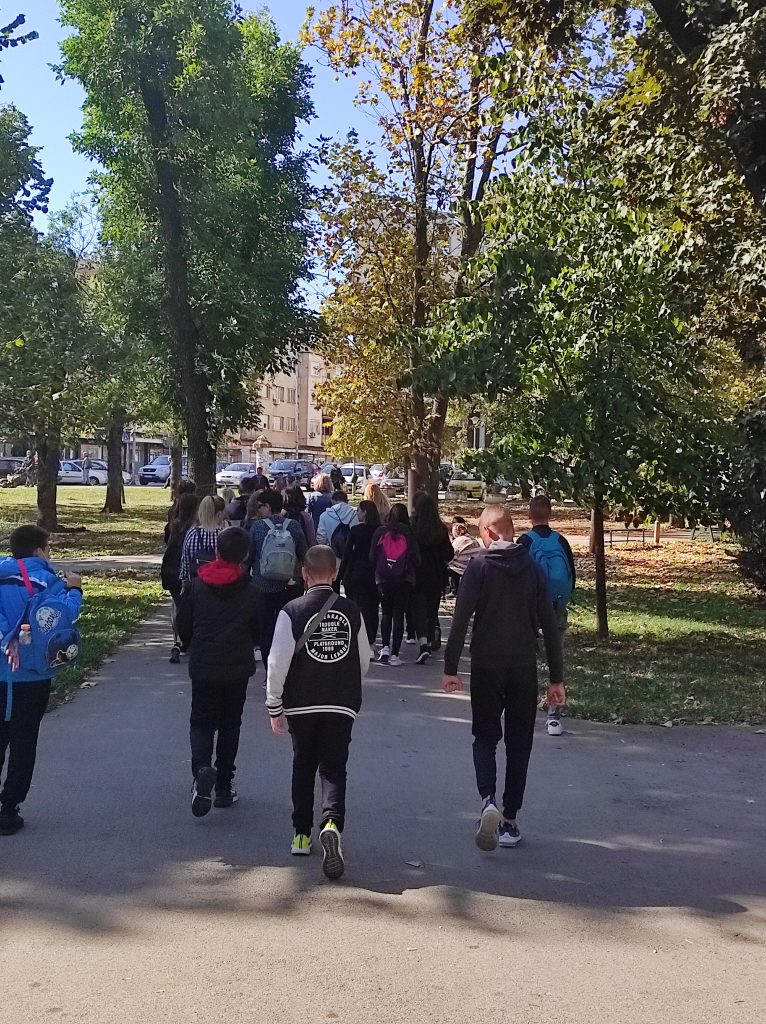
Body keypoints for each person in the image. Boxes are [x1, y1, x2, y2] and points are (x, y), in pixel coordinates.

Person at [441, 507, 565, 852]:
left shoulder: (478, 567)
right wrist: (556, 679)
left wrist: (451, 668)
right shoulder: (534, 569)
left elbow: (461, 619)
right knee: (519, 743)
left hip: (486, 665)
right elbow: (549, 627)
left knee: (484, 737)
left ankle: (487, 801)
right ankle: (509, 820)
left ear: (489, 533)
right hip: (523, 666)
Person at [266, 545, 371, 879]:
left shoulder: (291, 611)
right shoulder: (352, 611)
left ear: (303, 574)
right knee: (334, 768)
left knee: (303, 765)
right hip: (340, 702)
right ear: (336, 574)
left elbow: (277, 661)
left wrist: (274, 704)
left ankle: (301, 834)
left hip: (301, 703)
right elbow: (364, 659)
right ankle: (331, 824)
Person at [0, 525, 83, 835]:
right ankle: (8, 808)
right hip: (33, 675)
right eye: (48, 548)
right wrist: (75, 589)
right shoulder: (48, 582)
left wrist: (6, 637)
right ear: (38, 550)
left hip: (1, 672)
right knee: (24, 741)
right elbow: (66, 615)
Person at [176, 527, 259, 816]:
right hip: (237, 667)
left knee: (201, 722)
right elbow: (258, 630)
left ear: (216, 552)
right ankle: (224, 785)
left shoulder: (196, 587)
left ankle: (201, 770)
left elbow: (183, 624)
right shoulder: (251, 592)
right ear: (245, 556)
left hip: (204, 663)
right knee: (230, 724)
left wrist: (191, 645)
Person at [516, 494, 576, 737]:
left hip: (529, 608)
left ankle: (522, 707)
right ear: (550, 515)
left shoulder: (524, 542)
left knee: (526, 656)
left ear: (529, 515)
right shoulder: (561, 541)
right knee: (555, 656)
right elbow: (571, 574)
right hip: (556, 606)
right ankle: (554, 716)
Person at [248, 490, 308, 664]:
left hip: (262, 584)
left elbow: (250, 556)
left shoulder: (258, 527)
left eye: (260, 506)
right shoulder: (293, 525)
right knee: (288, 627)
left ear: (267, 506)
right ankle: (287, 664)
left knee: (266, 627)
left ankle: (269, 666)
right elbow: (304, 553)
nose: (258, 510)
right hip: (289, 585)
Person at [370, 503, 420, 666]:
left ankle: (385, 647)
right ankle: (395, 655)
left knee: (386, 613)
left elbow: (372, 556)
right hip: (404, 579)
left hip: (384, 578)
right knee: (399, 616)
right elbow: (417, 559)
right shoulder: (409, 533)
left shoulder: (380, 532)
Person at [409, 492, 453, 664]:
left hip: (417, 573)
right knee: (432, 609)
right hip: (436, 575)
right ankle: (431, 637)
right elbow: (449, 554)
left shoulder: (412, 527)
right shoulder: (440, 529)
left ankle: (423, 643)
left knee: (418, 609)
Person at [161, 493, 200, 664]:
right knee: (191, 607)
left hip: (171, 571)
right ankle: (187, 639)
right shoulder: (195, 529)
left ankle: (177, 640)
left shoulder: (172, 527)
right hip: (186, 573)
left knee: (177, 606)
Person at [341, 500, 381, 651]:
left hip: (358, 572)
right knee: (374, 608)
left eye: (358, 510)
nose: (356, 513)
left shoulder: (356, 530)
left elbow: (347, 554)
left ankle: (364, 641)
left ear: (364, 512)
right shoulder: (380, 530)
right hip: (377, 573)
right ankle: (372, 641)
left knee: (361, 608)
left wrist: (341, 574)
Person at [180, 495, 227, 582]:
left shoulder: (192, 533)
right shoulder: (225, 536)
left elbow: (185, 563)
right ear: (219, 514)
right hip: (220, 584)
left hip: (197, 583)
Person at [316, 490, 358, 565]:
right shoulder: (355, 515)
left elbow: (321, 537)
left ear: (332, 500)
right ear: (347, 501)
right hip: (351, 555)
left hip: (331, 554)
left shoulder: (324, 515)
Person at [448, 517, 481, 594]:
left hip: (462, 569)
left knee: (445, 567)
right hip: (472, 567)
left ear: (456, 530)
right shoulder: (472, 539)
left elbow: (450, 556)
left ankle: (453, 590)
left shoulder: (460, 540)